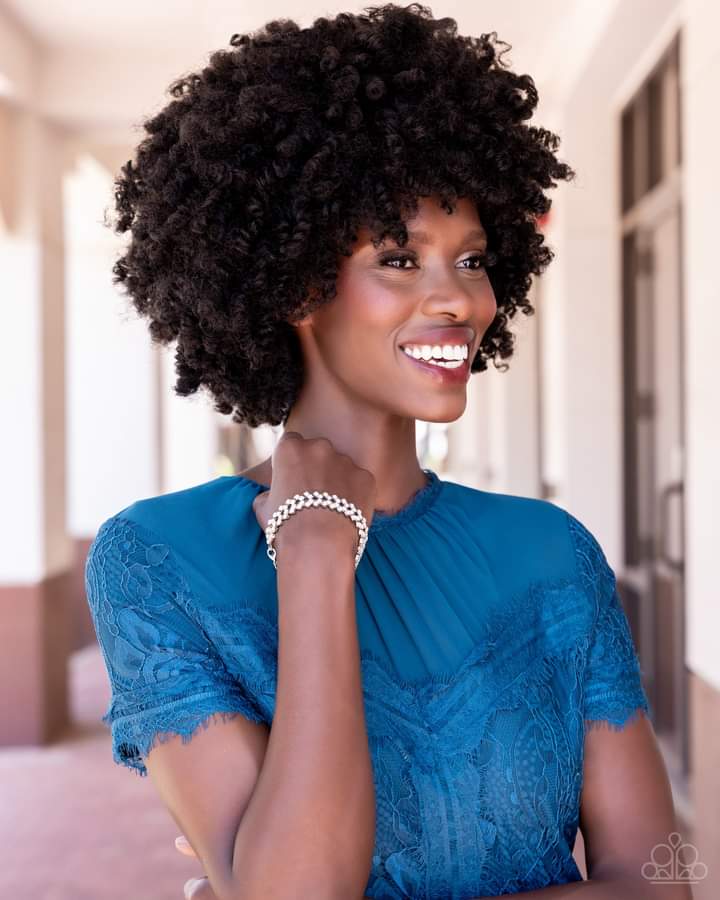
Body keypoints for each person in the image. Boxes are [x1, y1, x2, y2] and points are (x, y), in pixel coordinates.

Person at [84, 4, 690, 899]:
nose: (458, 301)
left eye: (475, 260)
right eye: (401, 260)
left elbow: (666, 880)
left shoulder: (552, 553)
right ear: (294, 282)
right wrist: (316, 554)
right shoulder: (158, 562)